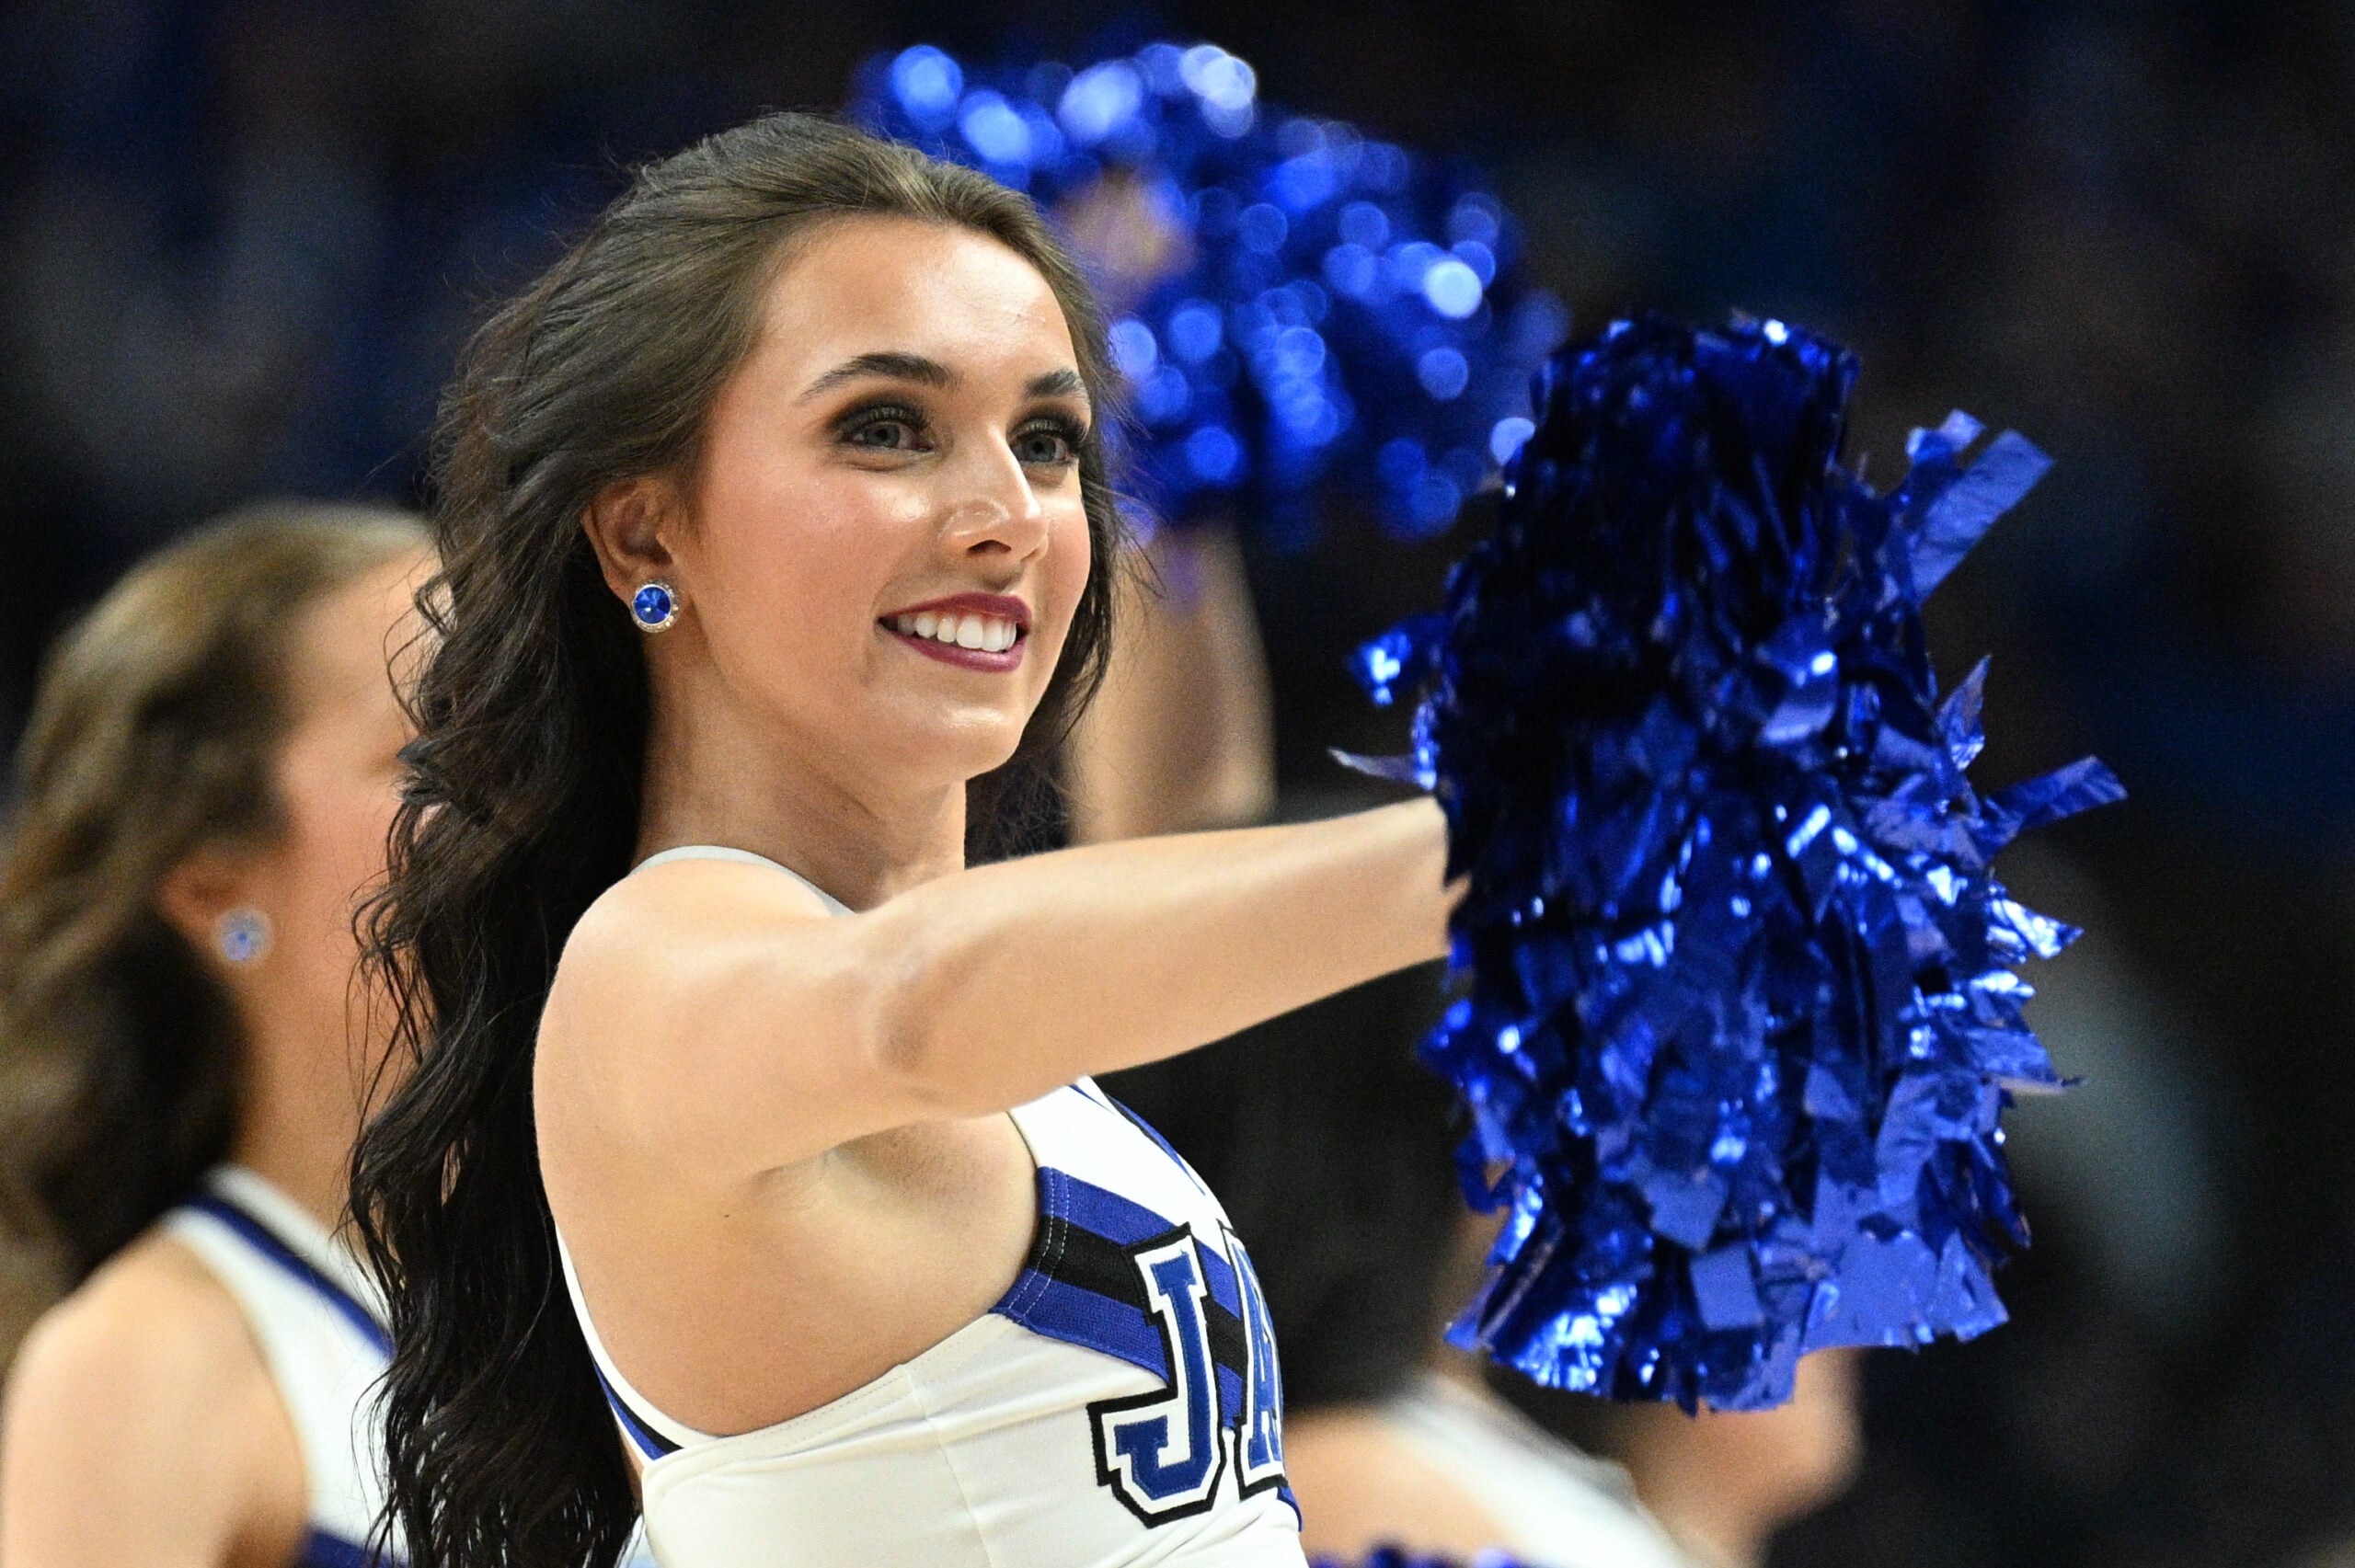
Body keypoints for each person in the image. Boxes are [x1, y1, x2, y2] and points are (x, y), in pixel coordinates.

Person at [350, 113, 1454, 1568]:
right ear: (643, 536)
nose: (1006, 514)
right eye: (886, 427)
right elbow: (913, 1004)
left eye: (1051, 440)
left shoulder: (1034, 1062)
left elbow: (1182, 860)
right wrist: (1517, 840)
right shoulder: (651, 969)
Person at [0, 503, 431, 1568]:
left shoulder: (608, 1299)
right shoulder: (144, 1364)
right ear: (210, 877)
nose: (535, 803)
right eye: (438, 749)